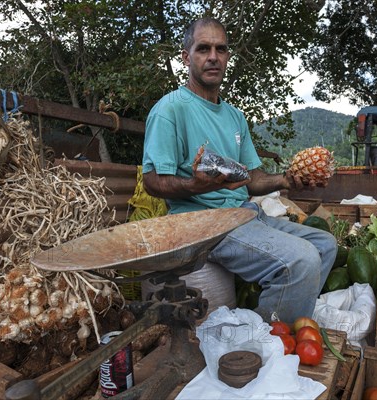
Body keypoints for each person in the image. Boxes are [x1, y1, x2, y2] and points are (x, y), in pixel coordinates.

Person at [142, 17, 337, 323]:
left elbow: (253, 178)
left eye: (221, 49)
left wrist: (287, 179)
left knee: (324, 244)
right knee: (302, 260)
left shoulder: (234, 116)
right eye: (203, 48)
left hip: (244, 214)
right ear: (186, 57)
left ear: (227, 57)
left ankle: (274, 319)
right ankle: (267, 341)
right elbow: (152, 181)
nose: (213, 56)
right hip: (204, 224)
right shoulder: (171, 109)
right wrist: (195, 186)